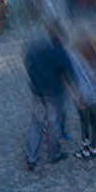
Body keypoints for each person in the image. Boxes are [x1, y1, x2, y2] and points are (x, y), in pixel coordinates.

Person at [23, 26, 76, 168]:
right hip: (53, 93)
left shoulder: (37, 49)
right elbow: (70, 73)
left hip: (37, 91)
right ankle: (53, 153)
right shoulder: (60, 53)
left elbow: (28, 62)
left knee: (36, 123)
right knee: (54, 123)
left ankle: (31, 157)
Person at [71, 36, 96, 160]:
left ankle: (85, 149)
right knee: (94, 122)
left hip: (83, 97)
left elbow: (76, 80)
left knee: (84, 123)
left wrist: (77, 97)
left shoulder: (78, 62)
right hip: (95, 97)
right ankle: (93, 147)